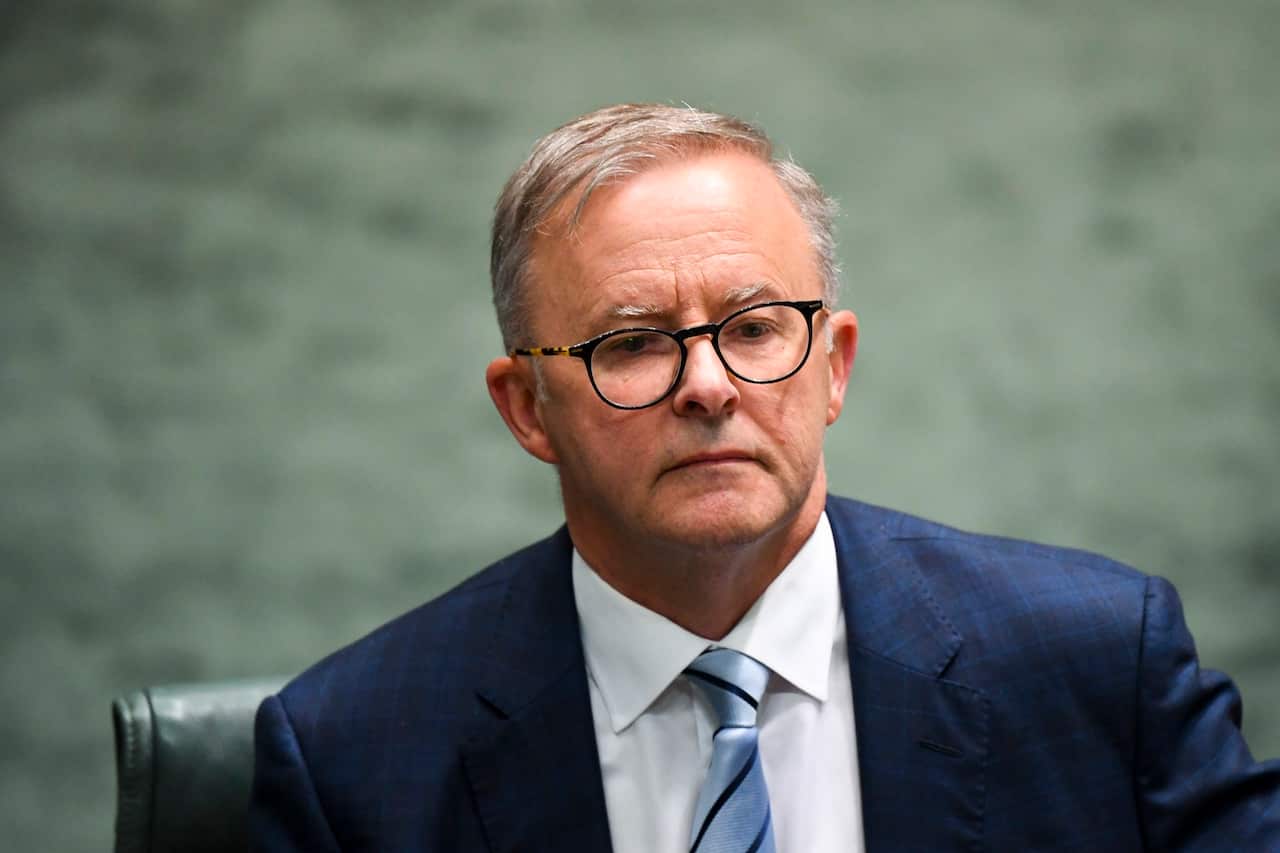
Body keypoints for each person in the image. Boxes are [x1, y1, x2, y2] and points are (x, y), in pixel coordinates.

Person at [250, 103, 1279, 852]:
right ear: (527, 409)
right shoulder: (354, 757)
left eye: (752, 328)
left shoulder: (1098, 664)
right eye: (634, 344)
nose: (707, 386)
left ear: (832, 367)